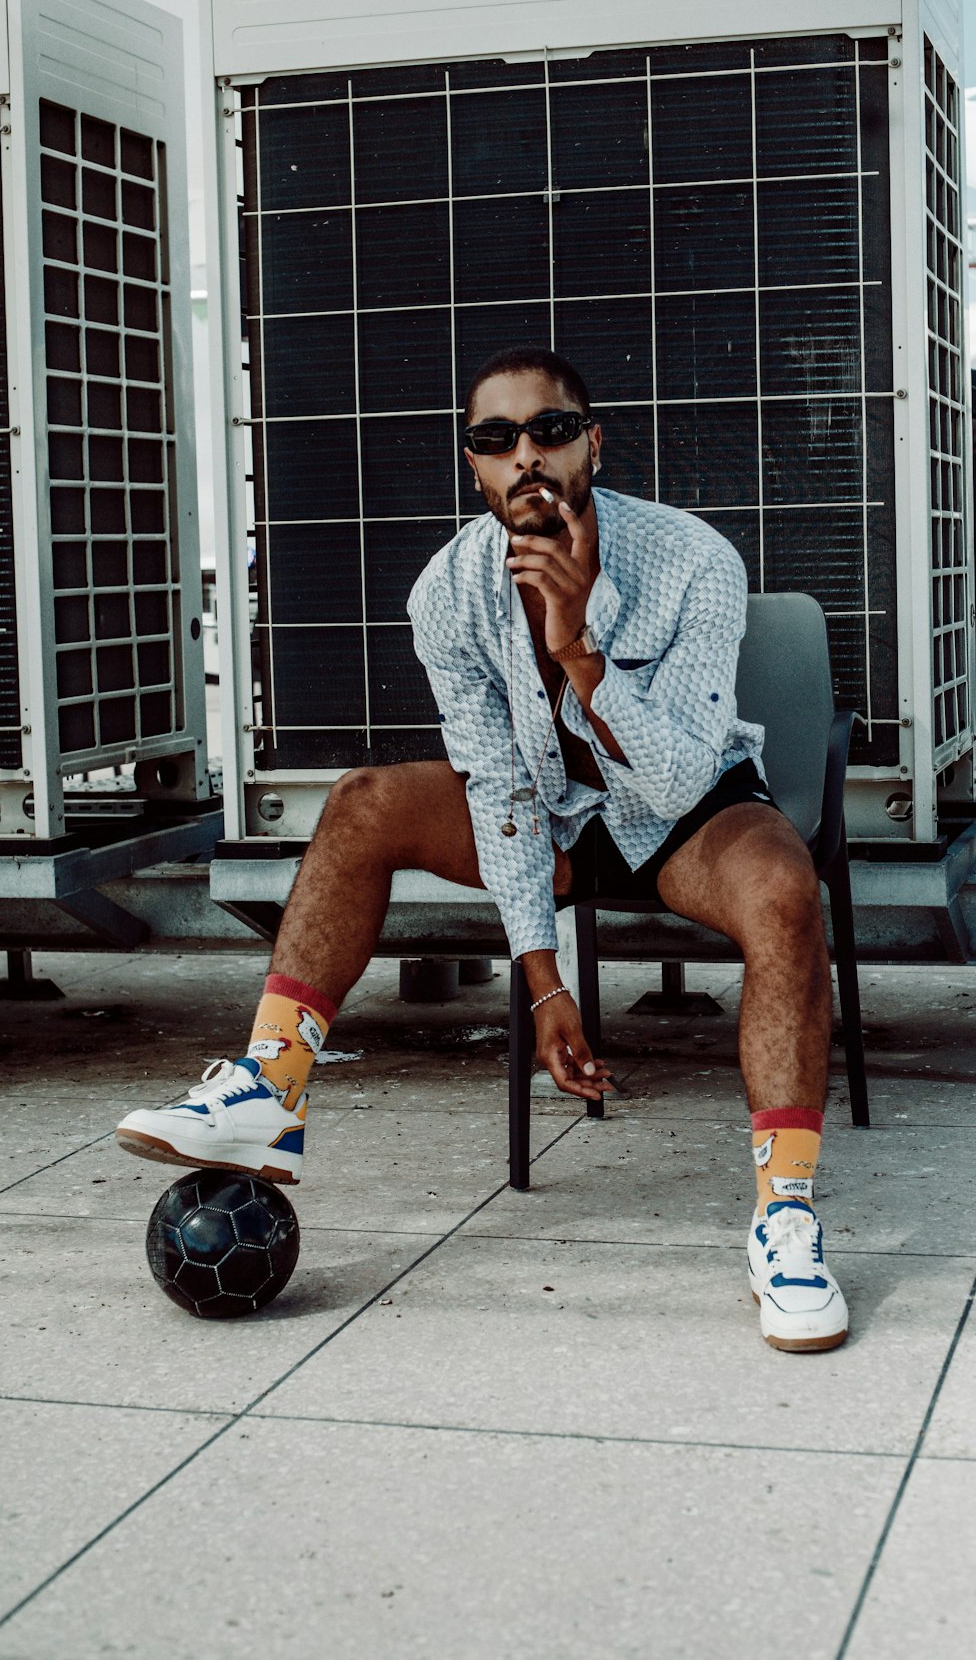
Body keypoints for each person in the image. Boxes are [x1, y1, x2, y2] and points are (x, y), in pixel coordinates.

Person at [118, 346, 847, 1353]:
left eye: (549, 430)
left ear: (593, 440)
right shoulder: (446, 594)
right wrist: (545, 984)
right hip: (549, 817)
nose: (525, 457)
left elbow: (678, 777)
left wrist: (579, 650)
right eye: (495, 439)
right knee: (364, 802)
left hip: (684, 813)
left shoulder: (693, 560)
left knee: (781, 887)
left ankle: (787, 1217)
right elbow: (500, 789)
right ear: (474, 465)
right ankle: (266, 1088)